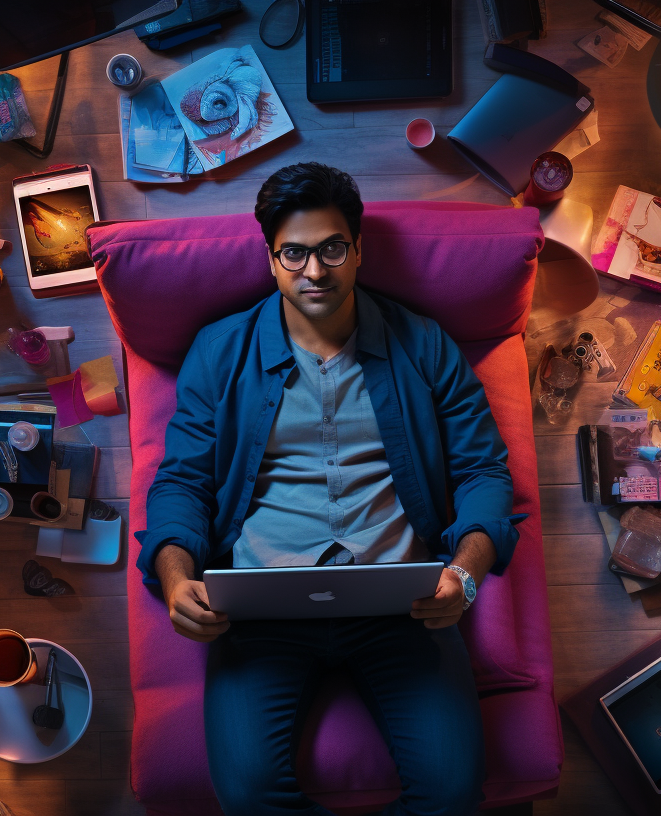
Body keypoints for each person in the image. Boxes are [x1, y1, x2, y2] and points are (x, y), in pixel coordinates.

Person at [135, 162, 524, 816]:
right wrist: (177, 580)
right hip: (261, 610)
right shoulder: (220, 351)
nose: (315, 272)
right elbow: (181, 482)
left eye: (331, 249)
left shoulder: (423, 345)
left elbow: (484, 473)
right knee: (249, 795)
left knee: (453, 792)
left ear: (358, 249)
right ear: (271, 259)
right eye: (294, 253)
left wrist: (466, 573)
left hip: (403, 601)